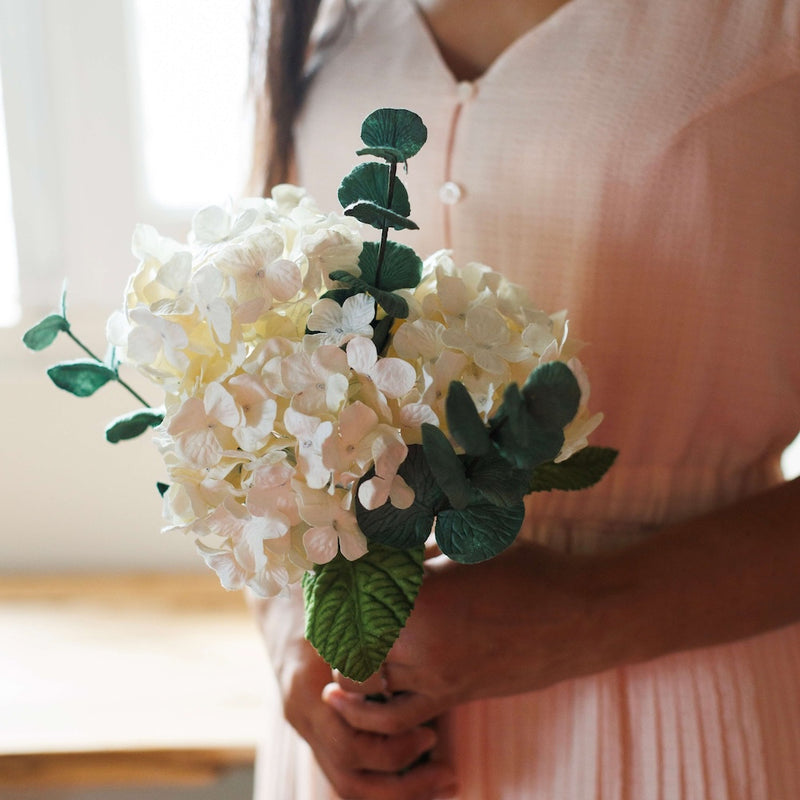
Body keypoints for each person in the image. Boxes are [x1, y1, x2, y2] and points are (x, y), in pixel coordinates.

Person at [248, 0, 800, 798]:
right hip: (358, 719)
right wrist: (290, 637)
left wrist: (589, 612)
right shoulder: (328, 23)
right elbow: (259, 371)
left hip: (686, 717)